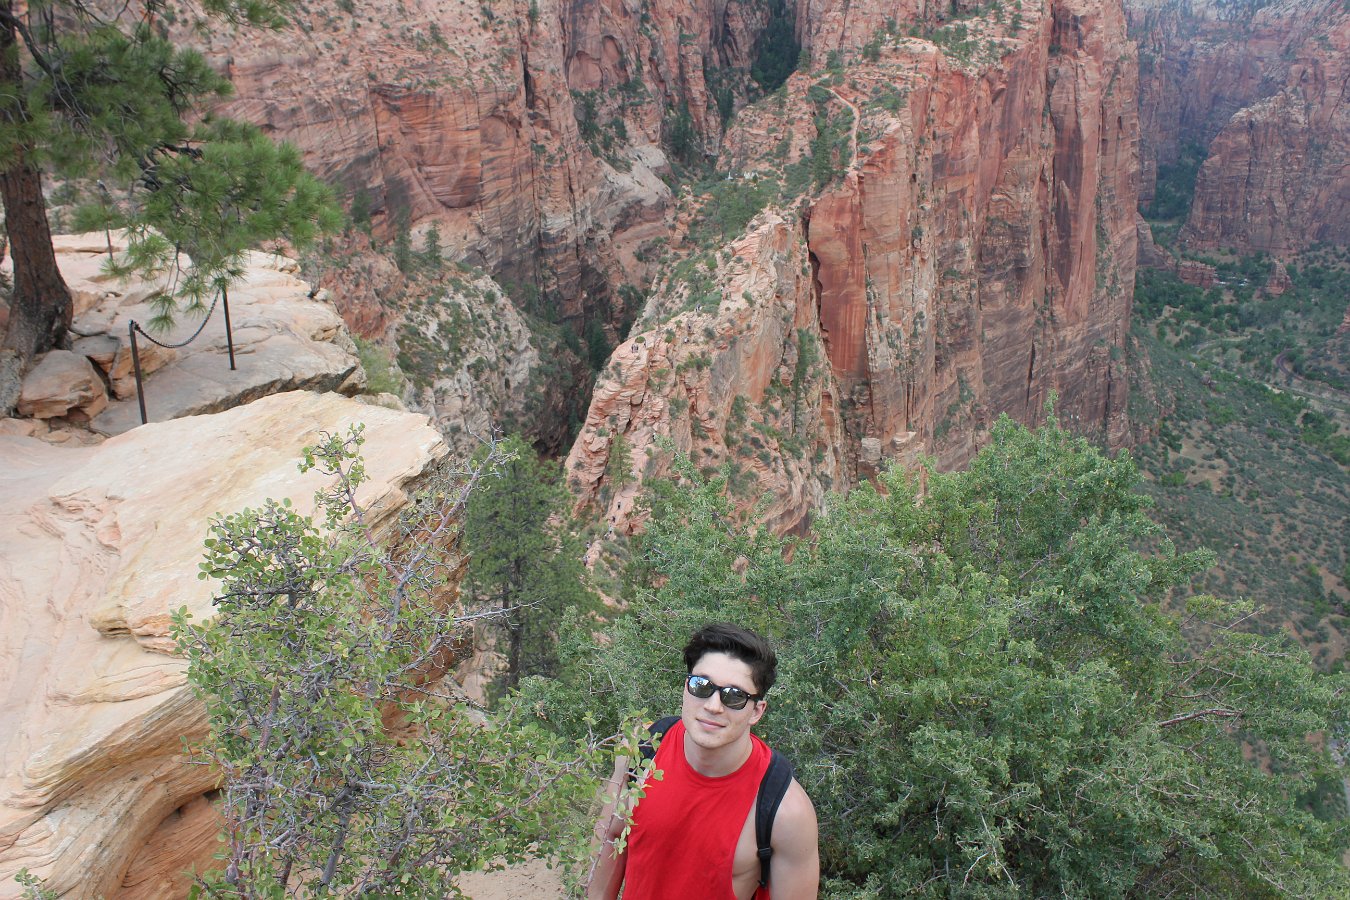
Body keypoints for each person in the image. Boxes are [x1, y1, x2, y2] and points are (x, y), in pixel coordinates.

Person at [587, 623, 819, 899]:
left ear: (757, 711)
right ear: (686, 688)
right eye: (702, 686)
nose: (713, 706)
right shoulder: (642, 749)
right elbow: (611, 836)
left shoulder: (786, 811)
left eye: (734, 696)